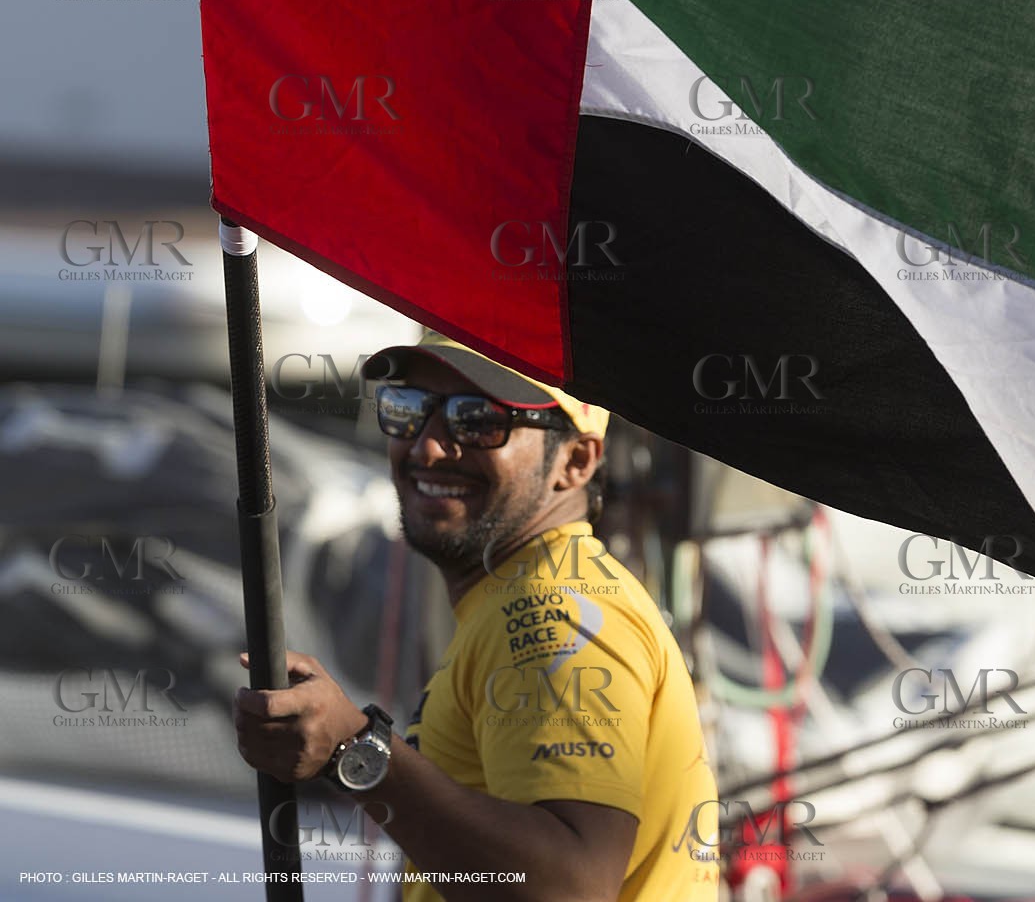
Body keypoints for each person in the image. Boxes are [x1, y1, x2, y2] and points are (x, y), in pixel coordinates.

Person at [233, 331, 719, 901]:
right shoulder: (524, 598)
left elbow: (571, 889)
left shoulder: (550, 607)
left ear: (576, 461)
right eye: (408, 410)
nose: (429, 449)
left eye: (479, 420)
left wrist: (355, 751)